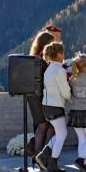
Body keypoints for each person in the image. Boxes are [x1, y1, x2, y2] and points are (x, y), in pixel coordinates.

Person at [35, 42, 71, 172]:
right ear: (60, 54)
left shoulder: (49, 69)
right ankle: (52, 163)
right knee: (62, 134)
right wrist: (70, 96)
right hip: (56, 106)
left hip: (46, 105)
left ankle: (43, 155)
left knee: (61, 133)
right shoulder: (59, 70)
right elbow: (65, 90)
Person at [27, 31, 56, 164]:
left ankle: (39, 154)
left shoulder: (33, 58)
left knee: (43, 125)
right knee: (46, 125)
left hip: (33, 96)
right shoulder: (42, 60)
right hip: (41, 97)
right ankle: (41, 155)